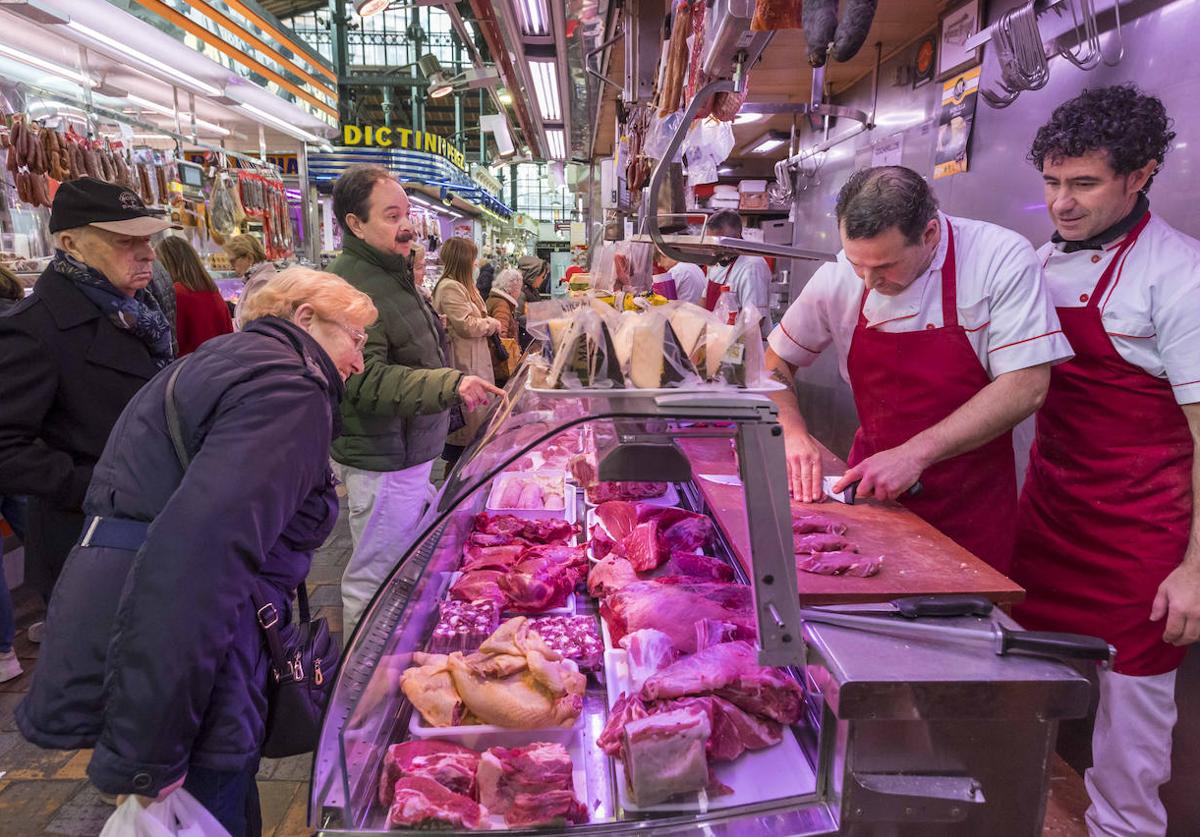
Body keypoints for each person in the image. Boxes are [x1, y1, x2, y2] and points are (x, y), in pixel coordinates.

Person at [16, 267, 375, 837]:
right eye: (356, 339)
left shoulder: (218, 361)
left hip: (143, 624)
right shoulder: (287, 389)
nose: (359, 361)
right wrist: (150, 749)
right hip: (185, 640)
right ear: (305, 318)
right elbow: (198, 561)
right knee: (211, 802)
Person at [1010, 86, 1200, 837]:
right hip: (1050, 513)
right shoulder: (1034, 263)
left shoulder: (1178, 274)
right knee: (1022, 688)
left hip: (1143, 538)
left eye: (1084, 183)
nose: (1062, 202)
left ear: (1141, 173)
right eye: (1053, 182)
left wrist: (1196, 564)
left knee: (1133, 738)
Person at [765, 166, 1072, 573]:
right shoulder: (842, 271)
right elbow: (775, 361)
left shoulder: (999, 258)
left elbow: (1027, 385)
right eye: (859, 265)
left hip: (970, 505)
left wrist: (913, 455)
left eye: (885, 267)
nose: (869, 281)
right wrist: (793, 431)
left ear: (929, 235)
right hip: (869, 491)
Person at [326, 164, 503, 632]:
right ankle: (359, 689)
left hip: (408, 450)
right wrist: (449, 384)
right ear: (355, 224)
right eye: (390, 215)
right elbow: (362, 381)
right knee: (374, 577)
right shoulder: (351, 287)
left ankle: (393, 653)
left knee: (399, 566)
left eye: (405, 213)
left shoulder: (393, 274)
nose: (406, 225)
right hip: (384, 457)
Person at [0, 178, 176, 642]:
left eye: (147, 239)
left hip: (152, 525)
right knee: (104, 677)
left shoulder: (137, 314)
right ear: (70, 243)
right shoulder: (34, 330)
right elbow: (5, 449)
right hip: (90, 539)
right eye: (126, 241)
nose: (147, 253)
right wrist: (97, 486)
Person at [434, 237, 502, 463]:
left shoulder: (464, 286)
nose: (475, 264)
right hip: (464, 362)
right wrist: (492, 324)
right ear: (463, 261)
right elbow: (467, 325)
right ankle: (456, 488)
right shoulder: (449, 287)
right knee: (466, 435)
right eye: (472, 259)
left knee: (478, 428)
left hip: (475, 360)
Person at [157, 235, 234, 355]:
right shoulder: (212, 290)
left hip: (192, 368)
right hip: (221, 364)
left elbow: (175, 343)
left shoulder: (178, 294)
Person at [701, 209, 772, 333]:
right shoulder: (716, 259)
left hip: (744, 345)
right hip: (717, 339)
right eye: (712, 243)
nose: (714, 250)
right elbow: (704, 299)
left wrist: (725, 341)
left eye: (720, 244)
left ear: (737, 237)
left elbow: (755, 321)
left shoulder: (752, 266)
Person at [225, 234, 275, 327]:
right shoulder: (256, 278)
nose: (231, 266)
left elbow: (250, 322)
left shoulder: (262, 281)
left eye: (233, 261)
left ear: (249, 258)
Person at [487, 267, 524, 386]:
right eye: (519, 288)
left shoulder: (496, 300)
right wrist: (512, 356)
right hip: (500, 367)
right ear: (513, 289)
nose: (520, 292)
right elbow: (501, 335)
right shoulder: (502, 305)